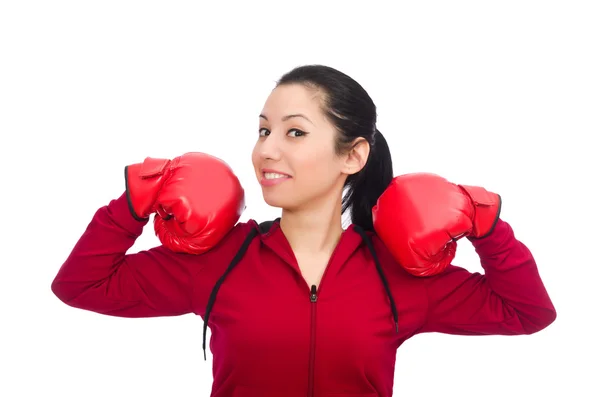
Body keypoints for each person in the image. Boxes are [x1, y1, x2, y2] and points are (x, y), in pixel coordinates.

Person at [51, 64, 556, 397]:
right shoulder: (220, 259)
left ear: (353, 155)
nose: (267, 150)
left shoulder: (394, 274)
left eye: (295, 131)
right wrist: (132, 204)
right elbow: (81, 285)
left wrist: (486, 225)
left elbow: (527, 312)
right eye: (264, 130)